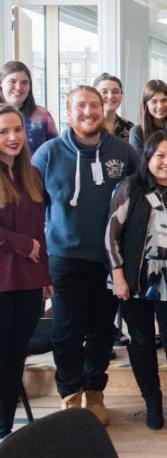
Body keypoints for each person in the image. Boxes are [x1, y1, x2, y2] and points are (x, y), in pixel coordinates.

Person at [31, 86, 138, 425]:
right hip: (64, 258)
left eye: (94, 105)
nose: (89, 112)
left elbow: (138, 204)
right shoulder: (47, 155)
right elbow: (35, 212)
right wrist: (40, 269)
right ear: (68, 110)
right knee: (66, 331)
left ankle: (95, 391)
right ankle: (70, 394)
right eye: (81, 106)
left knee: (102, 330)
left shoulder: (123, 152)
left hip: (111, 260)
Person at [105, 131, 167, 441]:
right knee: (141, 342)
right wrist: (118, 274)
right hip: (134, 277)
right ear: (148, 158)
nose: (166, 162)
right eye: (160, 156)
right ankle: (153, 404)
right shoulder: (131, 187)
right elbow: (111, 234)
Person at [0, 103, 52, 439]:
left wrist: (45, 276)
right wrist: (21, 244)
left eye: (17, 129)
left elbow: (40, 230)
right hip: (2, 281)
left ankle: (7, 429)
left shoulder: (31, 174)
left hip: (29, 281)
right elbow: (26, 238)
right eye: (3, 131)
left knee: (15, 357)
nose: (13, 137)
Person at [0, 61, 57, 152]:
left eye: (24, 82)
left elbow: (55, 150)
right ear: (1, 83)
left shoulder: (43, 115)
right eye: (12, 81)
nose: (18, 87)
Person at [129, 79, 167, 154]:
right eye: (154, 101)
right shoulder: (137, 132)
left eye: (164, 100)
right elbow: (138, 164)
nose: (160, 106)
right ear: (146, 105)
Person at [93, 73, 134, 143]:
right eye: (104, 92)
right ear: (94, 95)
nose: (110, 96)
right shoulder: (88, 125)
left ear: (121, 95)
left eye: (115, 92)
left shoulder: (129, 127)